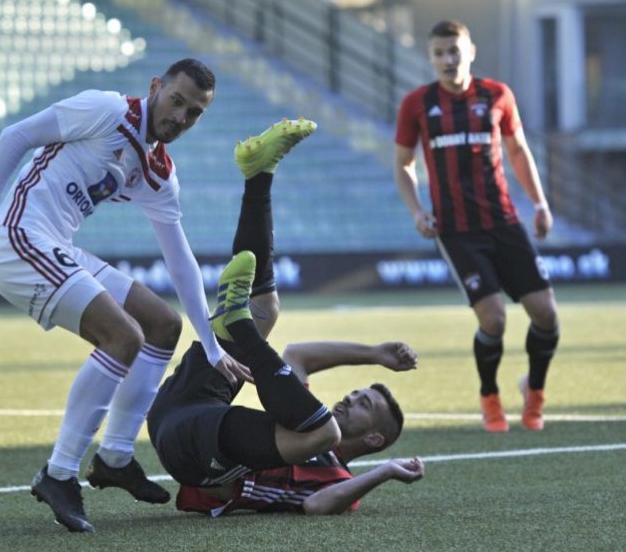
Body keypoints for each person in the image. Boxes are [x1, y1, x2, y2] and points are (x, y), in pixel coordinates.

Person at [0, 59, 275, 534]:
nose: (179, 117)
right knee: (123, 337)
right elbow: (14, 137)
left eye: (194, 112)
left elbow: (179, 259)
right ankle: (59, 473)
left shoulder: (159, 170)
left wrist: (210, 344)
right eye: (176, 101)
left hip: (57, 244)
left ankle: (116, 457)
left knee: (162, 325)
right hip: (16, 237)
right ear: (156, 87)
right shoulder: (105, 110)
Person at [146, 123, 425, 516]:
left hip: (194, 456)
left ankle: (236, 320)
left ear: (375, 438)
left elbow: (316, 505)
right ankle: (259, 175)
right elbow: (298, 354)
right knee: (267, 307)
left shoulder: (339, 481)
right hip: (182, 405)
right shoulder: (300, 421)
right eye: (358, 393)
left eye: (363, 403)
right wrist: (374, 354)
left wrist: (384, 472)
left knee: (324, 432)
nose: (350, 396)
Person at [393, 20, 560, 433]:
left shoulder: (497, 95)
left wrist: (539, 203)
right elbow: (403, 164)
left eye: (454, 50)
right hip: (456, 230)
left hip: (504, 221)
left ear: (471, 50)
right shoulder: (417, 104)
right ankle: (490, 398)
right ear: (430, 58)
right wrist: (417, 210)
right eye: (439, 53)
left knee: (546, 315)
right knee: (495, 321)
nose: (448, 60)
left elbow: (518, 151)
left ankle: (533, 390)